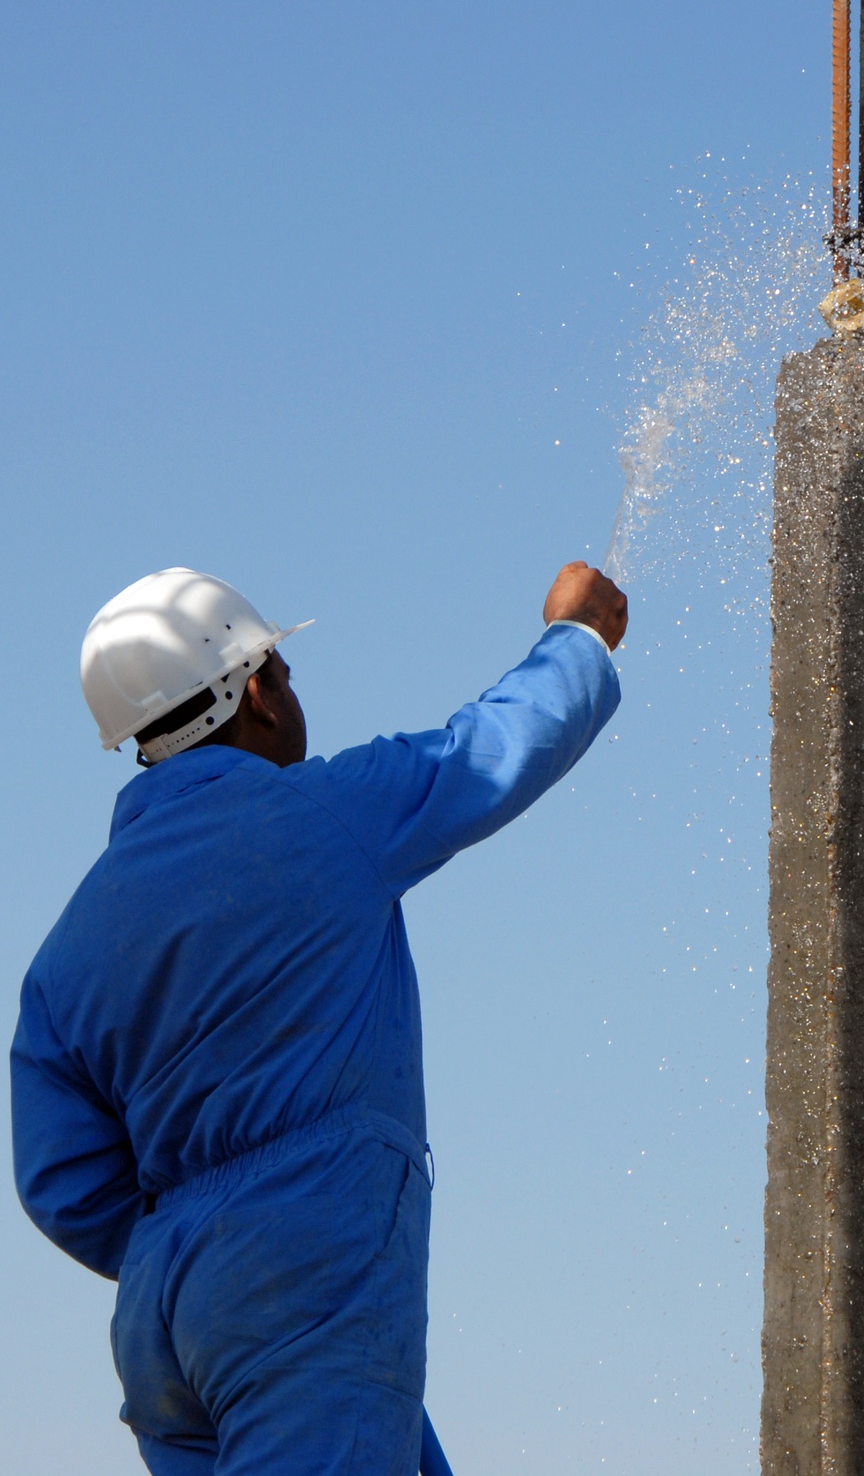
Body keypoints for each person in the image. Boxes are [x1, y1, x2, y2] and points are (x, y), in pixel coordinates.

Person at [10, 560, 627, 1476]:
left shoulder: (66, 949)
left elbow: (60, 1181)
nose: (295, 695)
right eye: (284, 674)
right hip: (308, 1270)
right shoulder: (326, 814)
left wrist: (192, 1241)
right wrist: (577, 637)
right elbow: (493, 747)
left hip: (164, 1316)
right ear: (254, 692)